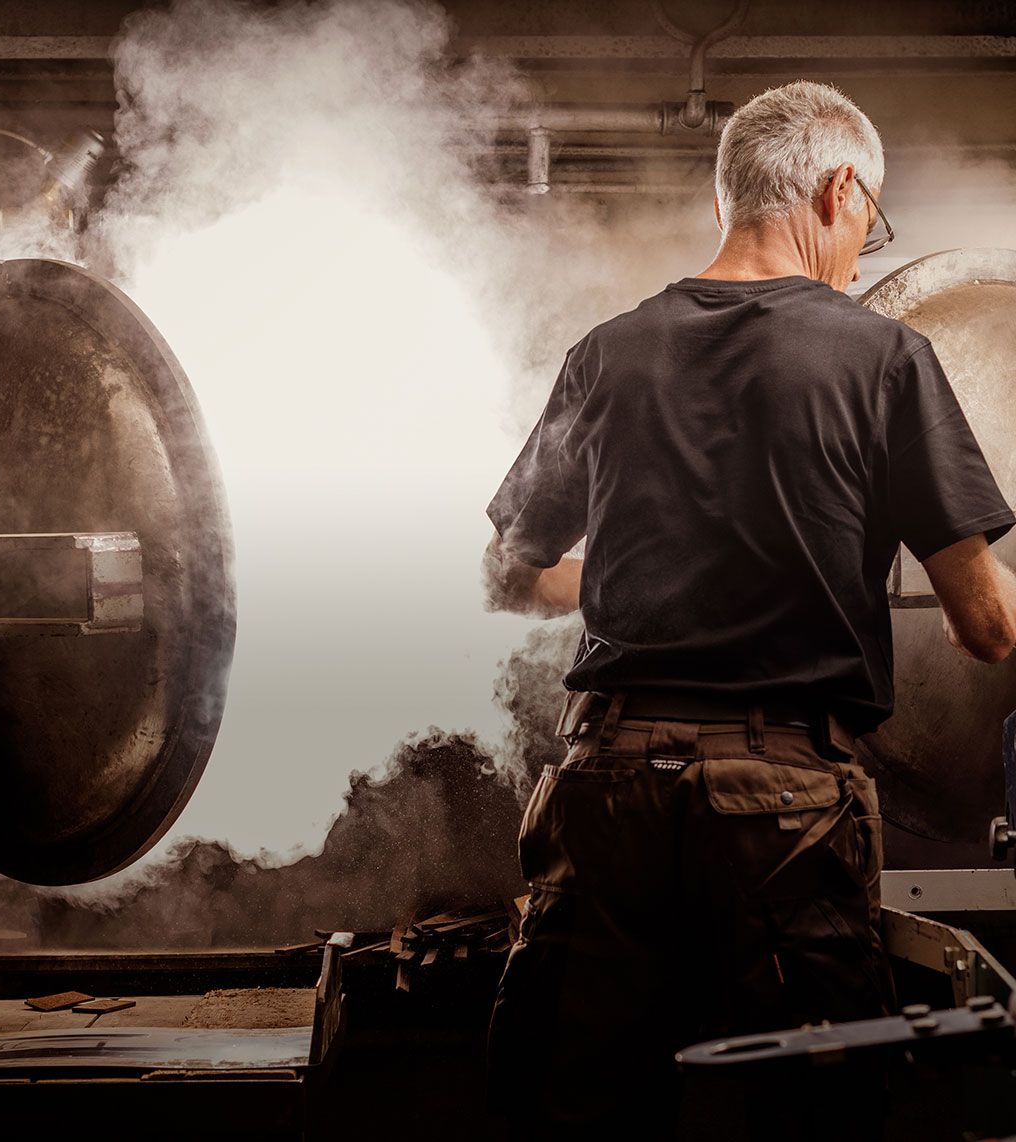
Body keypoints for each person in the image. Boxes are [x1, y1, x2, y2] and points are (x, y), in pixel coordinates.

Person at [481, 80, 1016, 1140]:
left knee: (578, 1110)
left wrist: (660, 568)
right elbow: (985, 629)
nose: (863, 246)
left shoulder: (607, 351)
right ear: (836, 189)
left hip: (607, 789)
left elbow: (506, 575)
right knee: (806, 1114)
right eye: (868, 217)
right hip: (781, 803)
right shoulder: (881, 357)